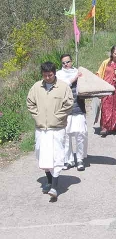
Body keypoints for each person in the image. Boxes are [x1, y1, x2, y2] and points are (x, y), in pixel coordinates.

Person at [27, 61, 73, 199]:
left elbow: (69, 103)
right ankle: (49, 179)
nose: (48, 78)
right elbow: (30, 103)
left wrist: (57, 116)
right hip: (41, 128)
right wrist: (37, 116)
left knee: (57, 155)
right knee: (42, 154)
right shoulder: (36, 87)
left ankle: (54, 186)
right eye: (45, 75)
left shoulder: (63, 87)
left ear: (54, 73)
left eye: (50, 75)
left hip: (57, 127)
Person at [56, 54, 87, 171]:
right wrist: (74, 78)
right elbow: (62, 86)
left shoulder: (79, 72)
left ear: (71, 61)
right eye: (63, 63)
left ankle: (79, 159)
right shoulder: (58, 75)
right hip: (65, 110)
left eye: (67, 62)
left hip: (78, 107)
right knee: (66, 136)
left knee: (80, 134)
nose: (66, 65)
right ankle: (68, 160)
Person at [97, 45, 116, 135]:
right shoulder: (106, 62)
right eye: (115, 53)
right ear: (112, 53)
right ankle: (104, 127)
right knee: (106, 108)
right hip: (107, 88)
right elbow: (99, 73)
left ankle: (114, 126)